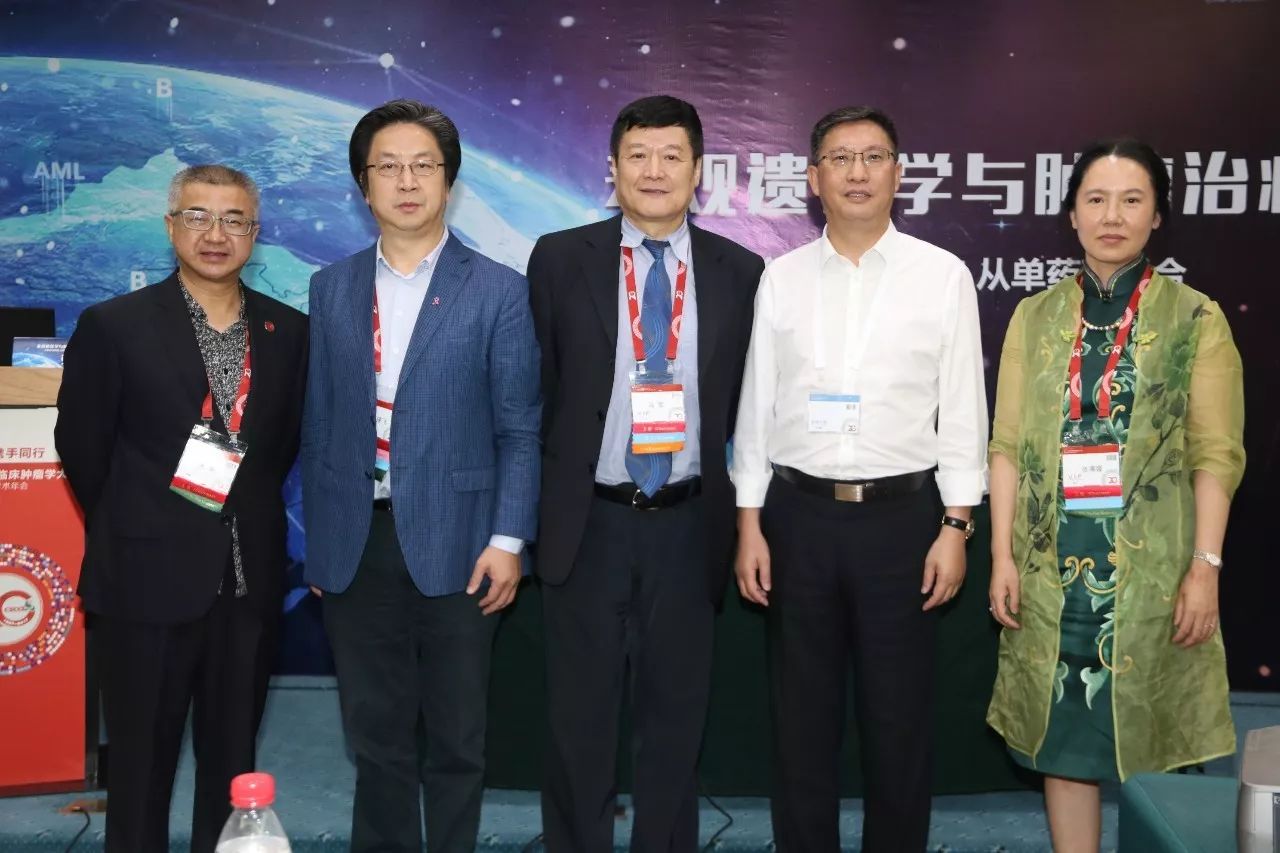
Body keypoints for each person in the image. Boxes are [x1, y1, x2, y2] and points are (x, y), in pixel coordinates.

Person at [732, 105, 989, 852]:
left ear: (898, 174)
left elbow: (963, 412)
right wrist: (749, 523)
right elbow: (756, 404)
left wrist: (956, 525)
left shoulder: (942, 276)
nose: (857, 173)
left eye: (873, 157)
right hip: (798, 517)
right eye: (840, 158)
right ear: (813, 179)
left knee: (898, 720)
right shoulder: (781, 278)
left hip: (903, 523)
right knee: (800, 719)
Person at [986, 138, 1245, 852]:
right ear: (1071, 213)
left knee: (1154, 739)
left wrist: (1205, 567)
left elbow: (1217, 454)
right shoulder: (1036, 315)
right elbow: (1005, 444)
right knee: (1063, 743)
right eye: (1096, 200)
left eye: (1132, 200)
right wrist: (1002, 556)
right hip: (1051, 571)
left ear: (1157, 215)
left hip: (1152, 576)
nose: (1112, 216)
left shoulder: (1196, 318)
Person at [301, 99, 540, 853]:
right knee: (375, 738)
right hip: (357, 542)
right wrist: (320, 542)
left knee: (457, 740)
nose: (406, 182)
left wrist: (508, 539)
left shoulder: (498, 289)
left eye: (423, 166)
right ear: (363, 184)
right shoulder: (331, 287)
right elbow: (318, 424)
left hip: (463, 543)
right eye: (388, 167)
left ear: (449, 180)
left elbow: (519, 428)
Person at [527, 94, 764, 851]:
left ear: (698, 172)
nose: (654, 170)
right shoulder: (560, 258)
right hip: (587, 520)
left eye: (671, 156)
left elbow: (751, 402)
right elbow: (540, 388)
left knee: (674, 720)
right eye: (638, 155)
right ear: (613, 169)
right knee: (579, 721)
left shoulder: (741, 271)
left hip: (689, 524)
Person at [55, 164, 308, 853]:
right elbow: (83, 449)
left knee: (232, 770)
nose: (215, 234)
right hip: (145, 580)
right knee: (140, 771)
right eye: (198, 216)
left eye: (234, 219)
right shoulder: (114, 326)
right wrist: (145, 525)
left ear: (254, 233)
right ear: (171, 227)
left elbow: (279, 449)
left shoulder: (289, 332)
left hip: (247, 584)